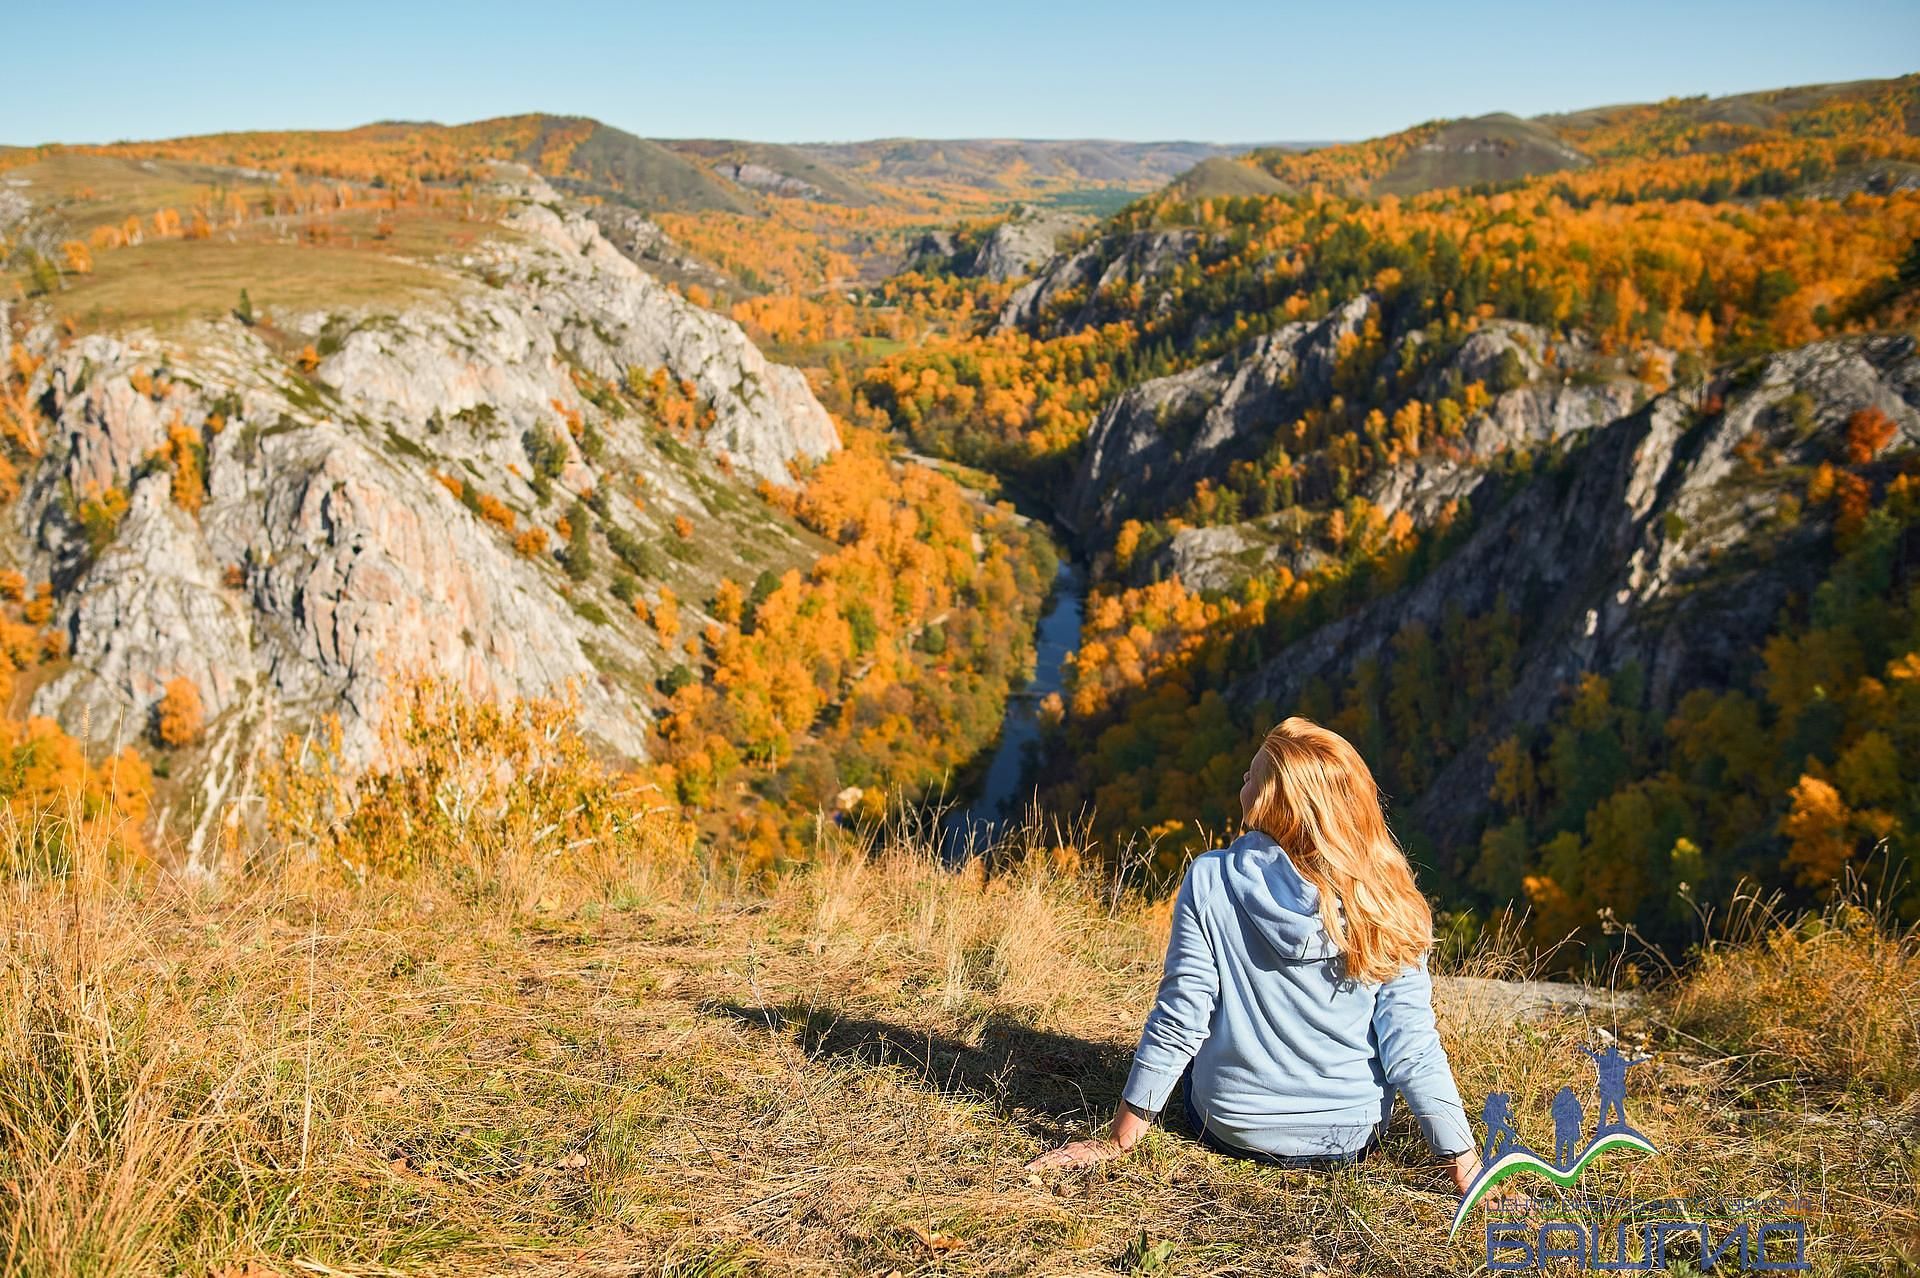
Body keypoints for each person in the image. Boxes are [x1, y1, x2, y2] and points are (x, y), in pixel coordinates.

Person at [1027, 716, 1482, 1194]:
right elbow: (1411, 1046)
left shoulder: (1210, 880)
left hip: (1230, 1127)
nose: (1243, 779)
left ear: (1274, 804)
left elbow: (1181, 1018)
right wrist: (1466, 1166)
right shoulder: (1387, 899)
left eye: (1253, 774)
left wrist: (1118, 1141)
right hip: (1348, 1136)